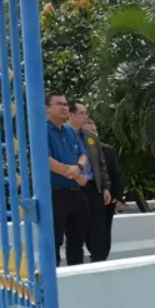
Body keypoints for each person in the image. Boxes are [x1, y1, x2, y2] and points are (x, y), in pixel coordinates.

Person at [46, 92, 88, 266]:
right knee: (54, 240)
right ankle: (54, 278)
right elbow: (46, 160)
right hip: (56, 193)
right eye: (59, 104)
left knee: (77, 239)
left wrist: (77, 168)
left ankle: (76, 273)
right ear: (46, 108)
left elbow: (82, 155)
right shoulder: (42, 130)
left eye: (65, 103)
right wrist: (71, 172)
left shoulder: (70, 131)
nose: (64, 107)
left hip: (76, 191)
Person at [67, 101, 111, 262]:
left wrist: (105, 187)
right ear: (70, 115)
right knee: (76, 231)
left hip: (93, 187)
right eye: (82, 113)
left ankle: (99, 262)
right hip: (74, 187)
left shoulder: (90, 136)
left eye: (86, 113)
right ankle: (76, 266)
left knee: (98, 229)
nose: (85, 116)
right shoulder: (64, 135)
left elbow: (100, 163)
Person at [88, 122, 124, 259]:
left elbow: (116, 174)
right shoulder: (79, 152)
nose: (93, 134)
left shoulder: (106, 150)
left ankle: (100, 259)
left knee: (104, 232)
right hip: (88, 197)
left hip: (106, 199)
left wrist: (118, 196)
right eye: (89, 131)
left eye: (94, 131)